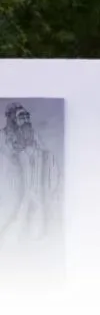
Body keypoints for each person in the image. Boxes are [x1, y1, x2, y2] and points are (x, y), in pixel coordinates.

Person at [0, 102, 62, 252]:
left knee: (36, 223)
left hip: (33, 186)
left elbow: (42, 151)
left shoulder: (32, 135)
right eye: (22, 117)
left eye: (27, 116)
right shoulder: (3, 136)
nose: (26, 120)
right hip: (11, 186)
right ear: (13, 119)